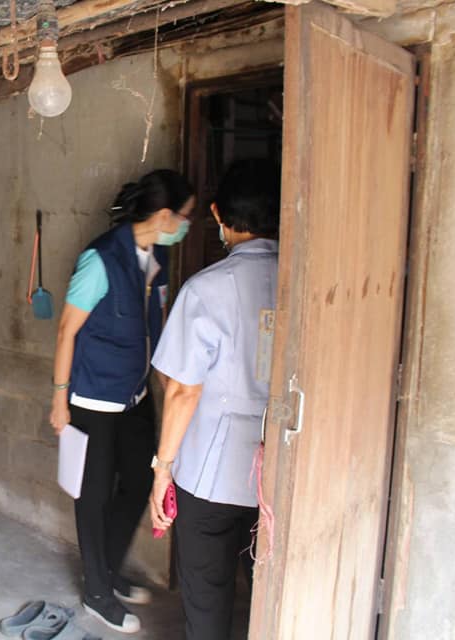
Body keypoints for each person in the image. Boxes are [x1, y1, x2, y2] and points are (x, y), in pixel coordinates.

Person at [49, 170, 196, 634]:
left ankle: (108, 569)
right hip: (92, 399)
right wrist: (59, 399)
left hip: (135, 395)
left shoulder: (157, 257)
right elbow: (67, 330)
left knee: (138, 480)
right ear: (165, 215)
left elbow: (156, 324)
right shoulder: (100, 259)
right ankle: (96, 592)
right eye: (186, 216)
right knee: (92, 497)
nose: (187, 225)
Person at [149, 159, 281, 639]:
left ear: (218, 215)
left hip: (212, 475)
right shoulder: (304, 283)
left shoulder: (205, 289)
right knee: (272, 594)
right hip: (281, 472)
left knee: (207, 597)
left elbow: (183, 389)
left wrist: (162, 470)